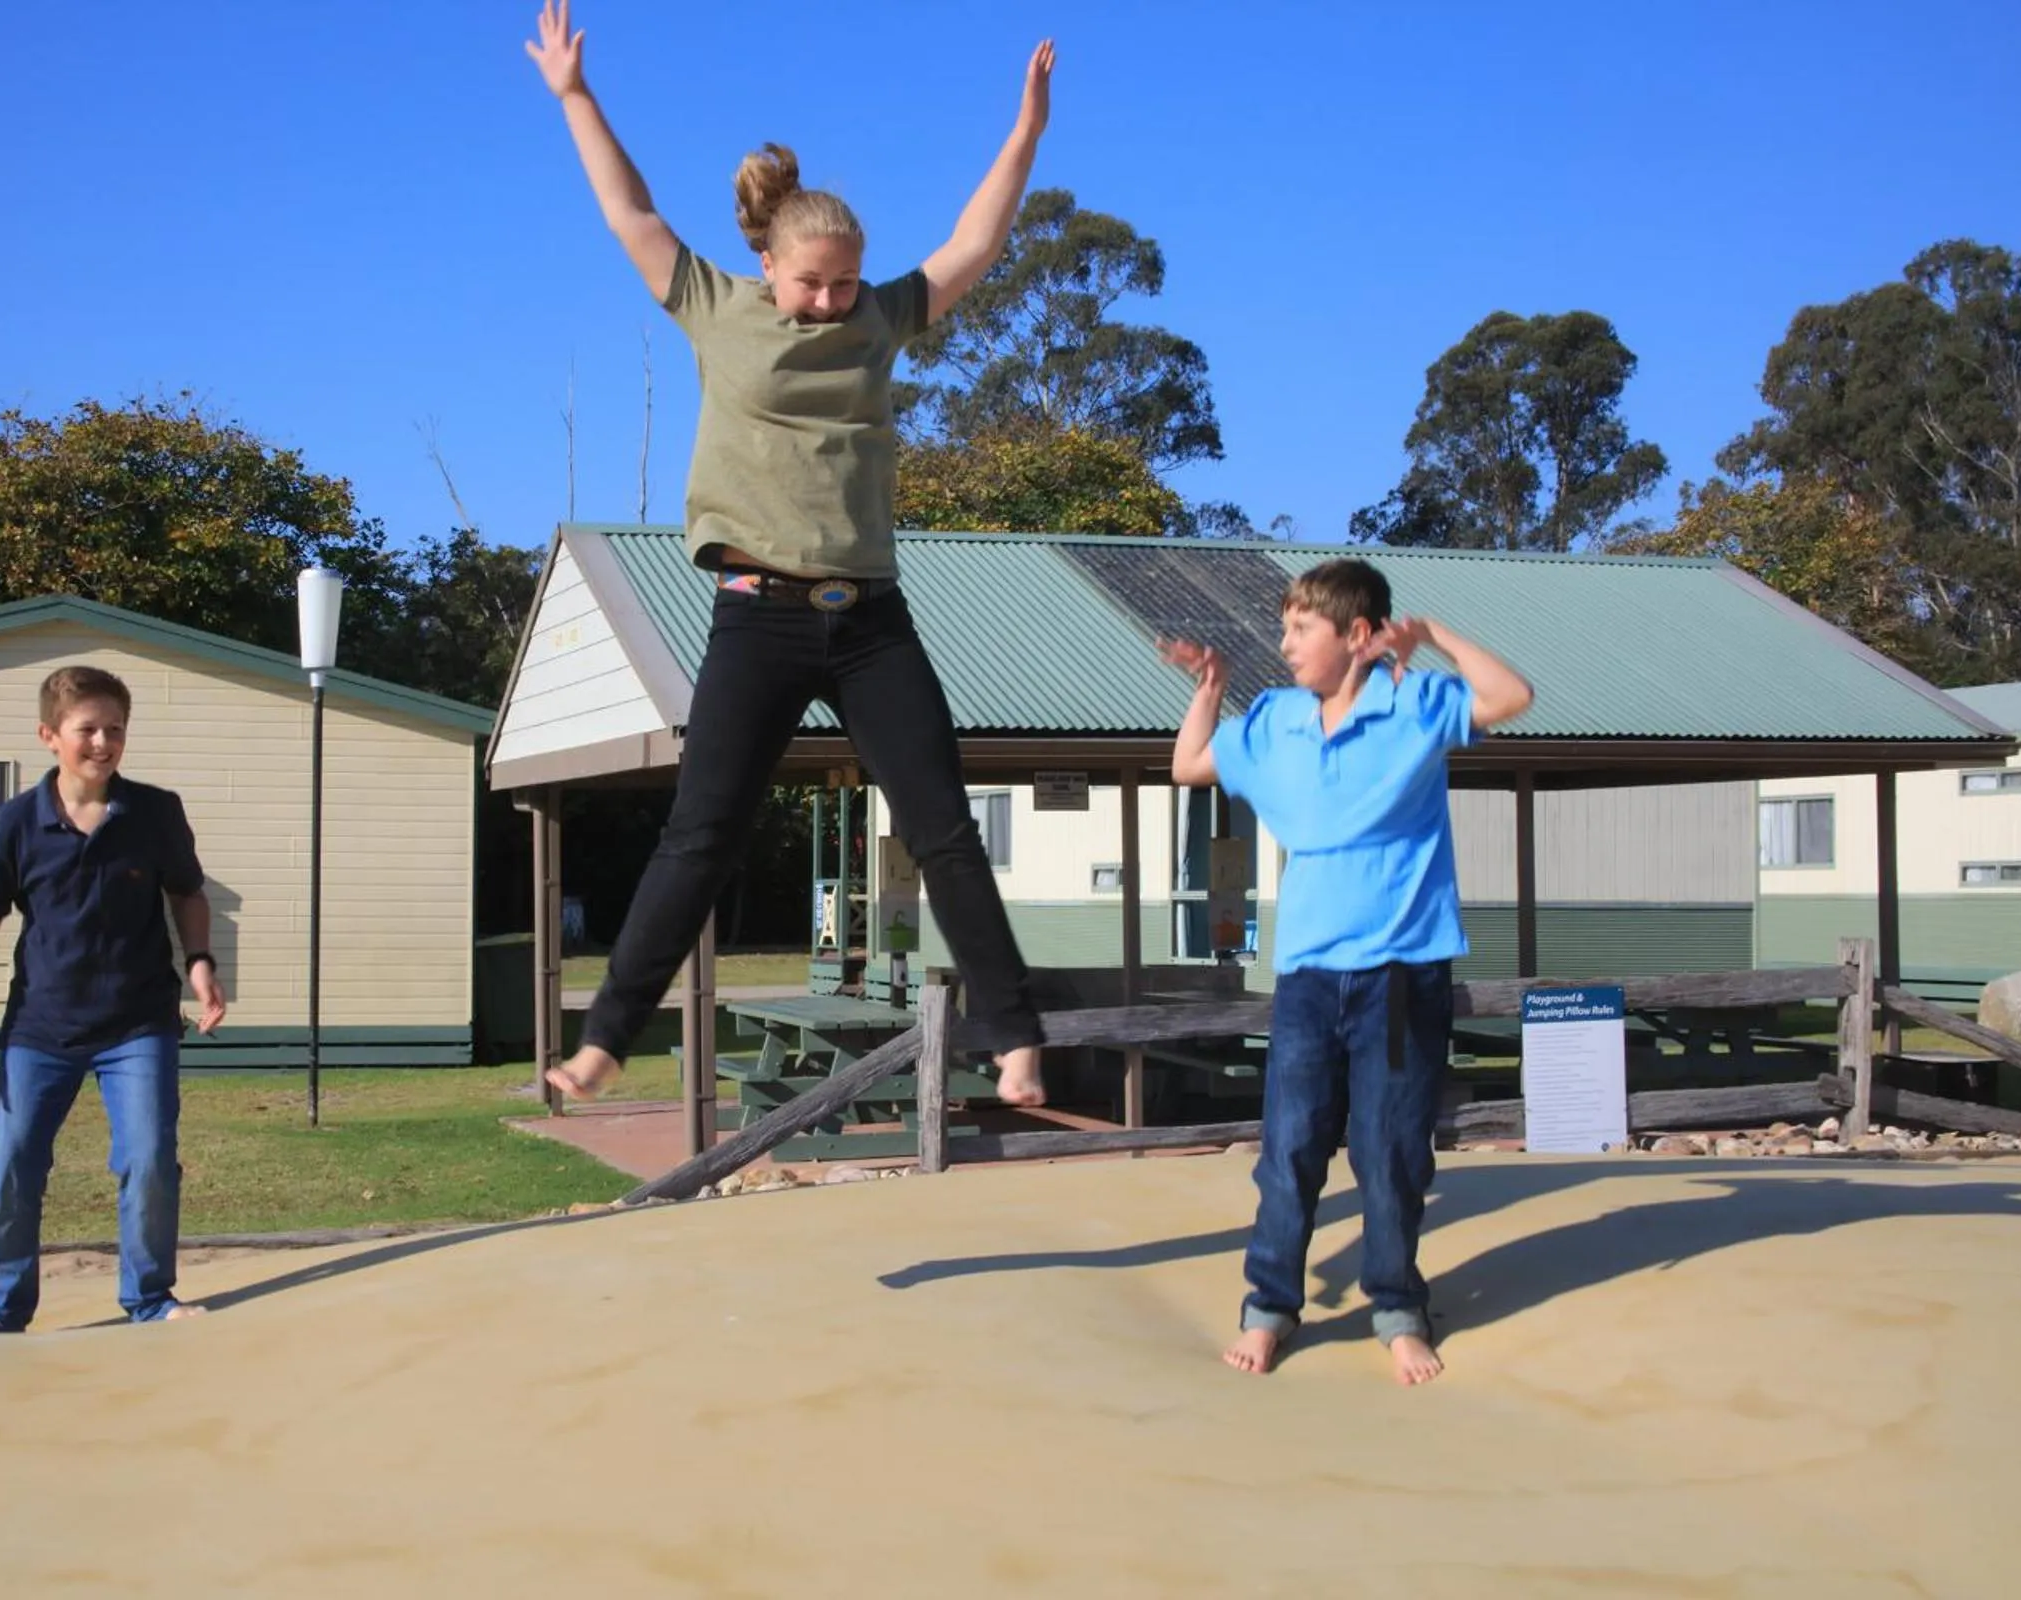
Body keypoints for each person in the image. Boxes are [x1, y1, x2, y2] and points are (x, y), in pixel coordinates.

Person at [524, 0, 1054, 1105]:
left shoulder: (880, 320)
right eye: (810, 282)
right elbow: (631, 212)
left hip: (870, 621)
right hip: (757, 616)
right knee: (701, 835)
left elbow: (974, 244)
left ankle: (1013, 1036)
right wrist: (576, 95)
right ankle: (604, 1042)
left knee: (944, 824)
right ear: (765, 260)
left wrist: (1024, 135)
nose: (827, 302)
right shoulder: (714, 306)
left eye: (844, 284)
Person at [1163, 558, 1534, 1385]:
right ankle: (1270, 1309)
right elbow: (1189, 766)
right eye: (1284, 625)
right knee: (1290, 1147)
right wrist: (1212, 687)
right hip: (1306, 979)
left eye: (1302, 628)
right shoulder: (1276, 721)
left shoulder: (1414, 704)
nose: (1284, 641)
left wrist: (1432, 635)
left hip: (1401, 975)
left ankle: (1398, 1309)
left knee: (1391, 1149)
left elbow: (1511, 697)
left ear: (1358, 635)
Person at [0, 665, 228, 1333]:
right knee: (11, 1165)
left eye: (115, 729)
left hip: (139, 1025)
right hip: (41, 1029)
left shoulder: (155, 812)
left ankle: (150, 1299)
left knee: (149, 1158)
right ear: (49, 736)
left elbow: (187, 892)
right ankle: (3, 1312)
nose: (102, 742)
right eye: (86, 729)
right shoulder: (13, 825)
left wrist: (201, 963)